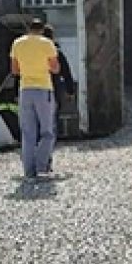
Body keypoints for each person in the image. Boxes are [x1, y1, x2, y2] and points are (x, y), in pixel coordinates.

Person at [10, 18, 59, 182]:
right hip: (43, 88)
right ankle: (41, 167)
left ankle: (28, 171)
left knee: (28, 132)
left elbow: (15, 70)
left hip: (25, 88)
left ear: (28, 28)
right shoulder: (47, 43)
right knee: (47, 131)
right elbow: (55, 68)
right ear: (42, 29)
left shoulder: (17, 43)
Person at [41, 24, 76, 171]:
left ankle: (37, 159)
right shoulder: (56, 53)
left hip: (33, 91)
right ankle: (46, 160)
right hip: (53, 92)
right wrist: (70, 91)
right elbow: (66, 74)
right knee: (51, 127)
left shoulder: (33, 53)